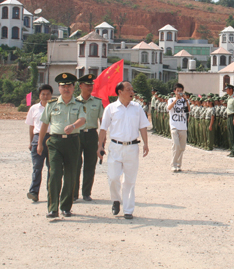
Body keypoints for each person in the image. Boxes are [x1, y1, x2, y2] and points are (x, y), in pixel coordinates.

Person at [97, 81, 150, 219]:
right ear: (119, 92)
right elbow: (103, 128)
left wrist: (146, 143)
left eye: (132, 89)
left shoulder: (137, 108)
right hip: (115, 147)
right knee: (113, 177)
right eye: (128, 90)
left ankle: (128, 210)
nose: (132, 92)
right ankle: (115, 199)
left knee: (129, 180)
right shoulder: (111, 108)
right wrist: (100, 146)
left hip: (132, 147)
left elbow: (143, 126)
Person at [37, 73, 86, 218]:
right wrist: (40, 144)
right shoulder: (51, 105)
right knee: (55, 174)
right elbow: (44, 124)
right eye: (63, 86)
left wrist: (73, 125)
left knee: (70, 175)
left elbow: (82, 119)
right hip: (55, 142)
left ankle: (66, 207)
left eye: (69, 86)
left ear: (73, 88)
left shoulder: (79, 104)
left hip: (72, 141)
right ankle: (53, 208)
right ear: (59, 87)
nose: (66, 89)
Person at [74, 74, 104, 202]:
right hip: (76, 135)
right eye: (87, 85)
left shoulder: (97, 102)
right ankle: (74, 193)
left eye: (91, 84)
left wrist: (102, 144)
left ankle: (86, 192)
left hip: (92, 134)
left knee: (90, 165)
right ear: (80, 86)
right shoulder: (73, 102)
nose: (90, 87)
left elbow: (103, 123)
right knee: (75, 164)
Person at [26, 84, 53, 202]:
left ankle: (51, 193)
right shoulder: (34, 108)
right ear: (39, 95)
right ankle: (34, 192)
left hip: (52, 138)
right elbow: (31, 126)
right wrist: (31, 142)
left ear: (51, 95)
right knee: (37, 167)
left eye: (48, 94)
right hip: (37, 139)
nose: (45, 96)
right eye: (43, 94)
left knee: (52, 168)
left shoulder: (55, 107)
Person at [167, 83, 189, 172]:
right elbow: (169, 108)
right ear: (174, 91)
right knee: (176, 145)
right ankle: (173, 164)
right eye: (178, 91)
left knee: (182, 147)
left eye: (181, 91)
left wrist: (186, 100)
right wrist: (176, 100)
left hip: (183, 126)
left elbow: (189, 110)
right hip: (174, 125)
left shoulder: (185, 100)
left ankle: (178, 164)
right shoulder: (171, 99)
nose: (179, 92)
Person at [225, 84, 234, 157]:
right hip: (228, 116)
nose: (226, 90)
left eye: (227, 89)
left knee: (233, 134)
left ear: (231, 89)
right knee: (230, 134)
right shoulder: (229, 98)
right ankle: (231, 149)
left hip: (232, 116)